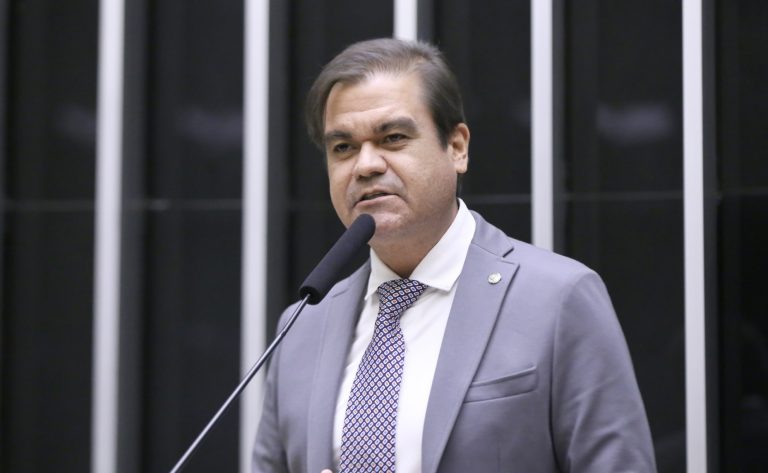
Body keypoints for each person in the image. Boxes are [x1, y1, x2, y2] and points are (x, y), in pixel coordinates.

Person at [252, 38, 656, 473]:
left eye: (392, 138)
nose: (366, 165)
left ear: (457, 147)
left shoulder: (558, 298)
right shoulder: (301, 327)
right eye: (343, 148)